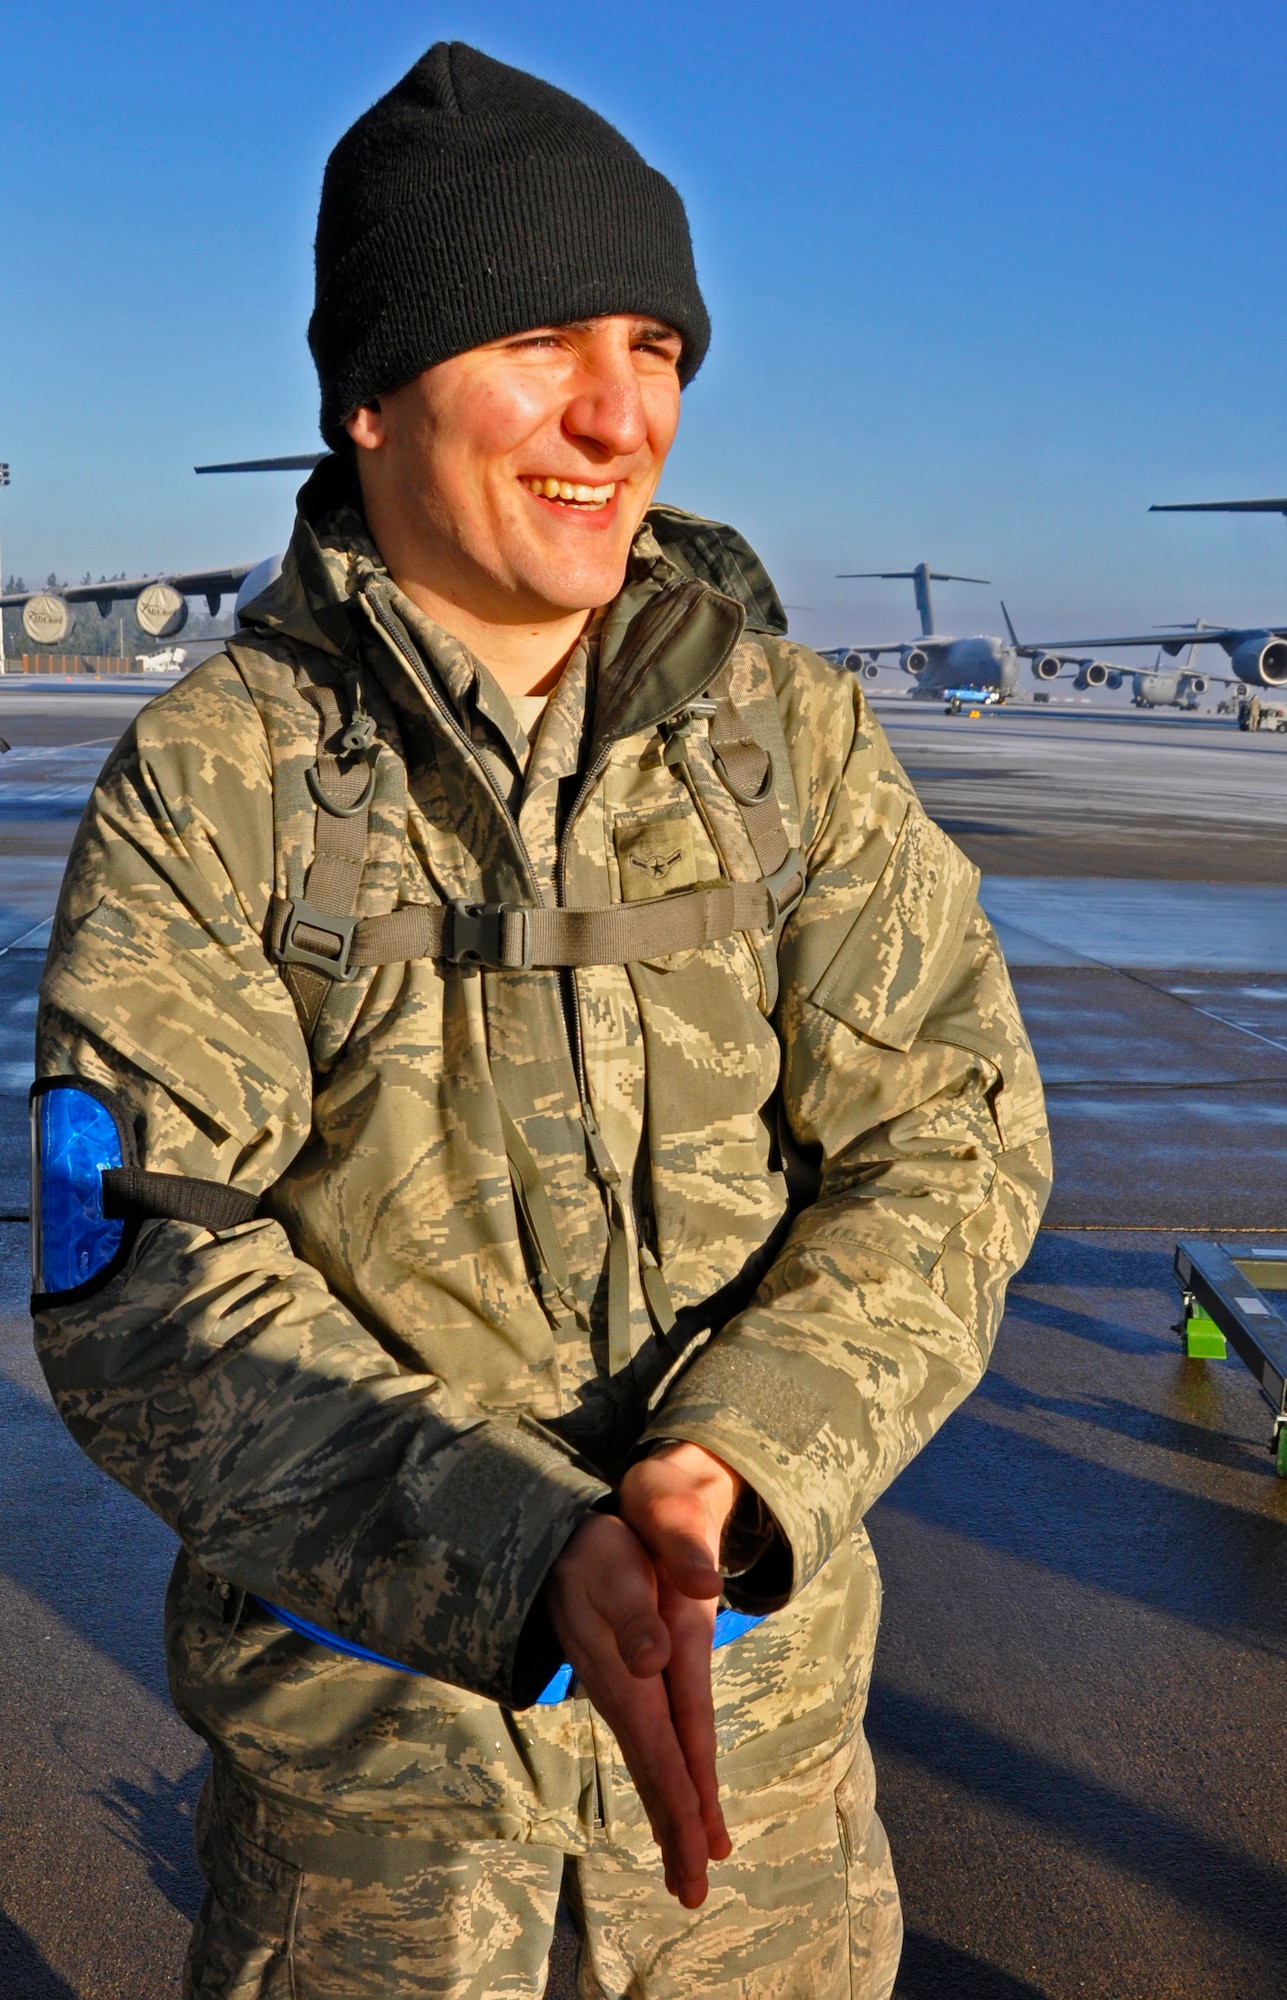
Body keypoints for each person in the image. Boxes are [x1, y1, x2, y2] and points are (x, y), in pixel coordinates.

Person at [31, 42, 1050, 2000]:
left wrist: (729, 1468)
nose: (621, 410)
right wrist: (510, 1546)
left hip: (756, 1803)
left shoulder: (786, 746)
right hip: (372, 1831)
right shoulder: (215, 785)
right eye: (538, 336)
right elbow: (147, 1276)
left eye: (656, 343)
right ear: (370, 394)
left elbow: (951, 1128)